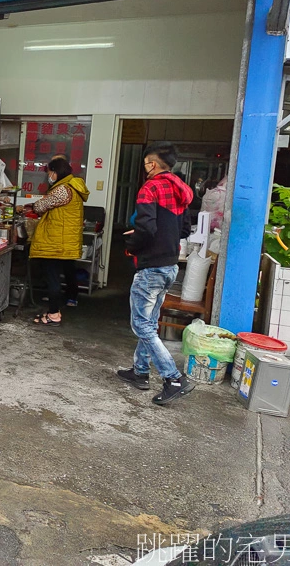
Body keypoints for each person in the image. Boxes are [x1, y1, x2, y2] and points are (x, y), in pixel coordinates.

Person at [117, 141, 196, 406]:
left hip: (151, 266)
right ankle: (139, 372)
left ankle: (173, 378)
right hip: (170, 265)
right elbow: (185, 229)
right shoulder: (181, 190)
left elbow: (146, 227)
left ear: (151, 163)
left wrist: (132, 243)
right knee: (149, 323)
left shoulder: (150, 187)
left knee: (141, 325)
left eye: (145, 164)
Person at [27, 157, 90, 326]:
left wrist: (29, 207)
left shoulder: (62, 189)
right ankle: (57, 308)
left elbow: (41, 206)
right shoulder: (74, 186)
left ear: (55, 172)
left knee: (52, 278)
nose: (49, 176)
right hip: (64, 240)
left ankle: (54, 314)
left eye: (49, 172)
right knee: (63, 273)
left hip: (55, 242)